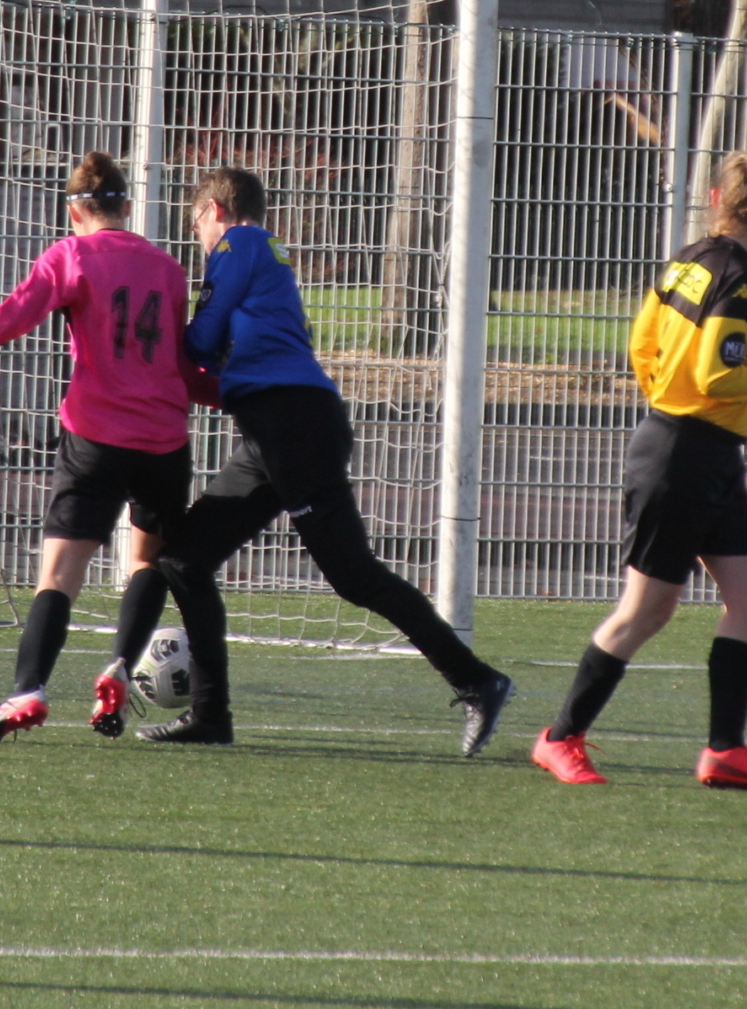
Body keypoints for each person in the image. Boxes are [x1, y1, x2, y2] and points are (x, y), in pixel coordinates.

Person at [141, 166, 513, 752]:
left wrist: (152, 335)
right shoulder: (262, 255)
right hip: (274, 430)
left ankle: (478, 680)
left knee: (354, 575)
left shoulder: (241, 241)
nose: (198, 240)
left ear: (213, 211)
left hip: (293, 427)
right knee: (185, 560)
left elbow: (202, 338)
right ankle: (211, 718)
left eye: (194, 227)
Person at [0, 151, 215, 742]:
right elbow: (183, 360)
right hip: (165, 438)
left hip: (96, 436)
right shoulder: (168, 268)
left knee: (59, 577)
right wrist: (230, 396)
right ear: (128, 207)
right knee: (147, 562)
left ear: (73, 211)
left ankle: (28, 692)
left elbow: (12, 316)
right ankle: (119, 663)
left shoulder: (71, 255)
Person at [533, 152, 747, 789]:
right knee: (646, 611)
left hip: (700, 451)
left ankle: (725, 751)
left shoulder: (687, 258)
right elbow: (716, 375)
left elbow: (641, 344)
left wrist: (663, 395)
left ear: (715, 196)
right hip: (683, 453)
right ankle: (559, 737)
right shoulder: (738, 276)